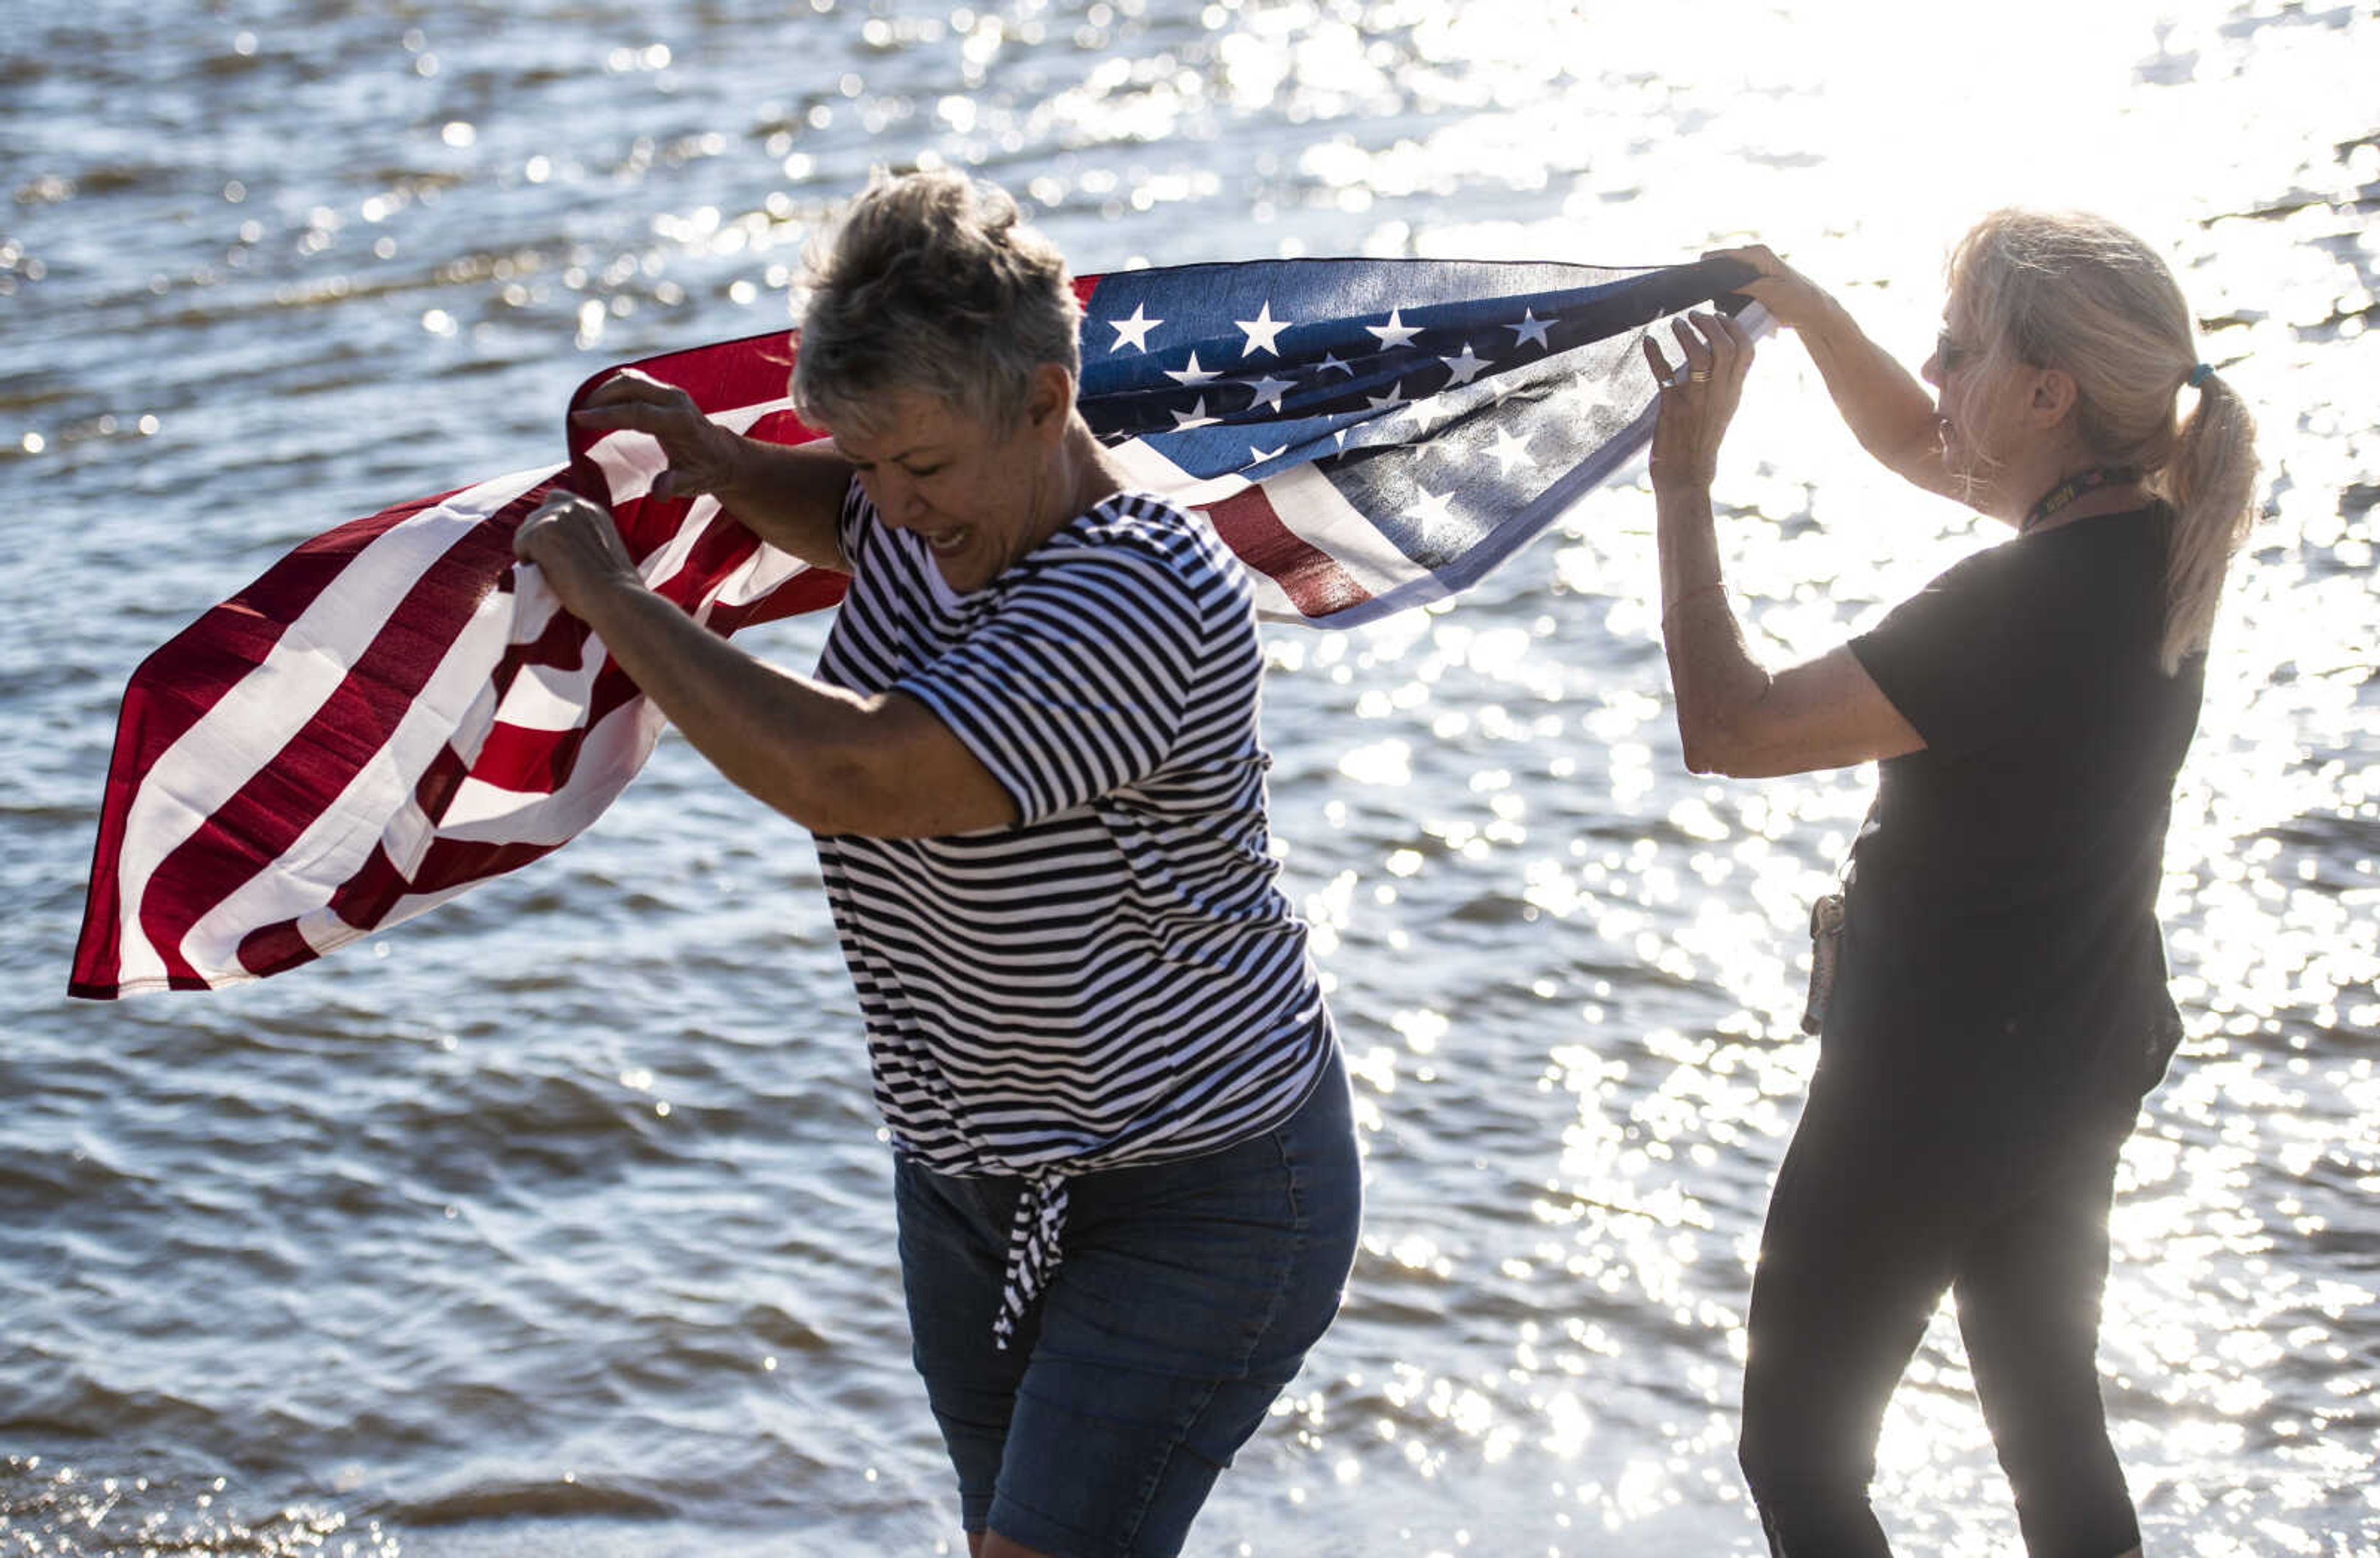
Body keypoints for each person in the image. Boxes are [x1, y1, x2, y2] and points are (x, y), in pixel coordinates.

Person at [513, 170, 1360, 1558]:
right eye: (867, 461)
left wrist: (615, 597)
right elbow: (847, 523)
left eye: (922, 466)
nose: (895, 508)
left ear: (1042, 397)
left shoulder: (1141, 596)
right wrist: (727, 466)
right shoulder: (936, 519)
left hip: (1200, 1187)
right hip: (976, 1177)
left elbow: (854, 775)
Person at [1636, 210, 2259, 1556]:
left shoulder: (2012, 605)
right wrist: (1798, 306)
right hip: (2078, 1055)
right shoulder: (2156, 536)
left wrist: (1683, 487)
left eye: (1957, 349)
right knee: (2051, 1440)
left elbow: (1729, 728)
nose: (1931, 372)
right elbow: (1923, 446)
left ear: (2050, 395)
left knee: (1797, 1456)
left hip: (1932, 1082)